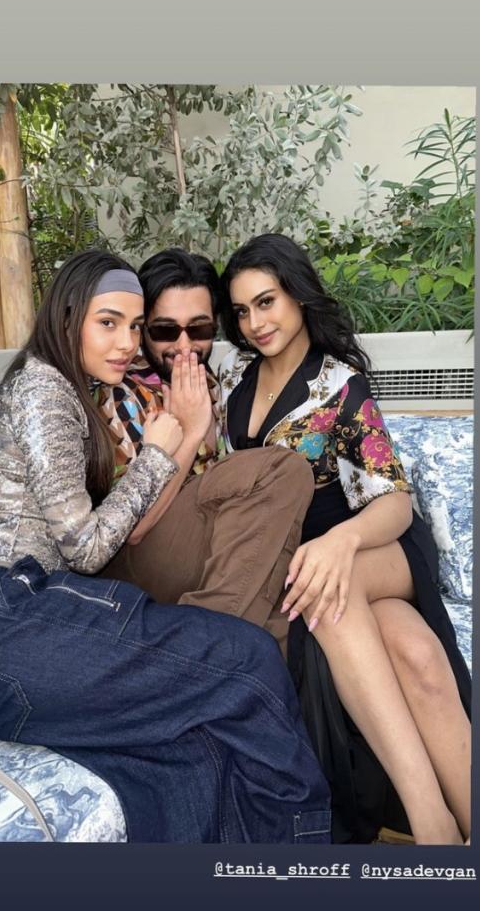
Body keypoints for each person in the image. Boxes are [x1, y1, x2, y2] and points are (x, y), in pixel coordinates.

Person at [0, 249, 331, 844]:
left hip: (10, 627)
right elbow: (85, 547)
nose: (128, 343)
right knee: (247, 658)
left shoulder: (79, 392)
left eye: (134, 326)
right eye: (108, 323)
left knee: (193, 759)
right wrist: (160, 450)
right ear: (67, 317)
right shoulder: (43, 386)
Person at [220, 232, 471, 845]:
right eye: (243, 310)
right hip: (310, 557)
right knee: (416, 653)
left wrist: (341, 542)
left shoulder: (339, 384)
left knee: (323, 585)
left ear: (298, 296)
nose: (255, 322)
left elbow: (395, 501)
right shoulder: (236, 383)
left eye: (267, 302)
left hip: (377, 544)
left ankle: (431, 826)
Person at [96, 247, 315, 656]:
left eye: (198, 329)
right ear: (143, 331)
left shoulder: (218, 382)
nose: (184, 346)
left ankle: (210, 667)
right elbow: (131, 530)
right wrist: (192, 430)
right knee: (283, 469)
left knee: (287, 613)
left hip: (207, 549)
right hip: (136, 557)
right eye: (165, 331)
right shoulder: (123, 393)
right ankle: (199, 653)